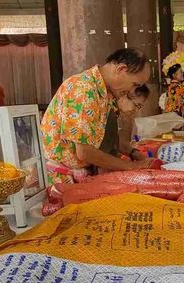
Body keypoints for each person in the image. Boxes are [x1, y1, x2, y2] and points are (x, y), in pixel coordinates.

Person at [40, 48, 154, 185]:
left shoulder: (107, 93)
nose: (131, 91)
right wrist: (131, 167)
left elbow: (108, 141)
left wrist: (134, 153)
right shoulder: (84, 89)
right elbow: (84, 152)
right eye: (135, 84)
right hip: (63, 180)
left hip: (83, 174)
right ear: (121, 69)